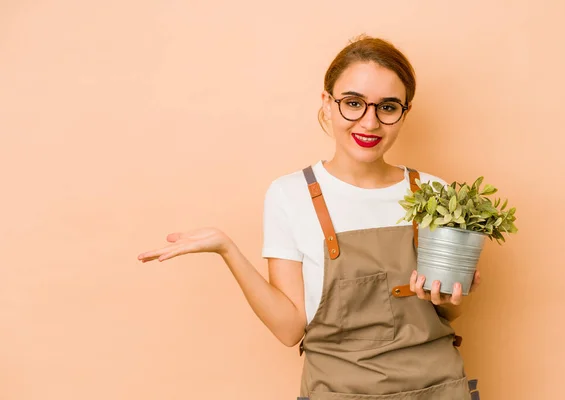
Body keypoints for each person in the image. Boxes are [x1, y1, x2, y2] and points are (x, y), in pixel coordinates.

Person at [138, 35, 482, 400]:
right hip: (337, 392)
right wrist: (227, 249)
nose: (369, 122)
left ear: (404, 112)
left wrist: (452, 295)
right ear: (328, 104)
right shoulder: (290, 195)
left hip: (438, 389)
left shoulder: (436, 194)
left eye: (388, 107)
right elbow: (289, 330)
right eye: (353, 103)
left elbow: (449, 312)